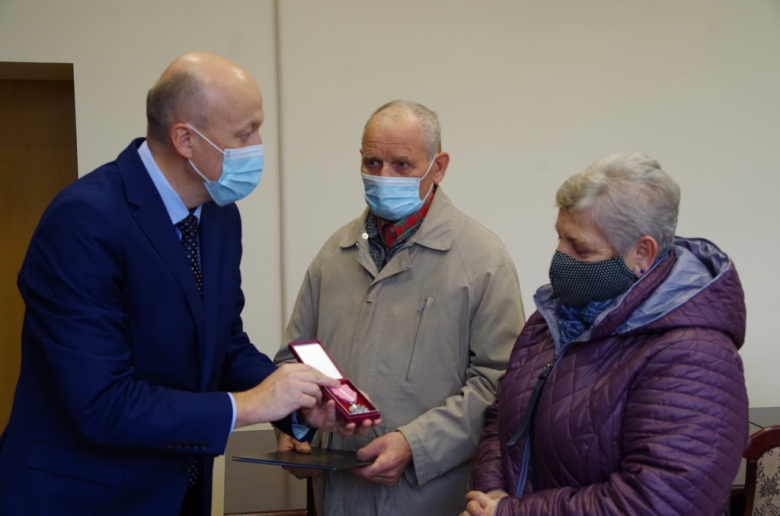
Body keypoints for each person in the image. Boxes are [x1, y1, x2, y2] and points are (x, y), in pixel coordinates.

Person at [0, 52, 376, 516]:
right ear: (185, 139)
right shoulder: (84, 220)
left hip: (176, 491)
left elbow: (223, 343)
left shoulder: (219, 216)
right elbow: (102, 404)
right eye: (245, 132)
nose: (258, 145)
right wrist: (252, 405)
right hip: (82, 495)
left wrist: (296, 402)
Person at [274, 100, 525, 515]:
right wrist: (294, 427)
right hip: (337, 496)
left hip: (428, 497)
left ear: (438, 167)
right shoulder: (333, 255)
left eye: (402, 165)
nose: (383, 176)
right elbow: (294, 357)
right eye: (373, 162)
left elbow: (498, 386)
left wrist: (415, 445)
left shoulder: (482, 261)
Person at [463, 152, 749, 516]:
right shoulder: (552, 318)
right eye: (559, 239)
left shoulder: (696, 356)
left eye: (579, 248)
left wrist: (511, 512)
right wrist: (490, 494)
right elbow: (502, 416)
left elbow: (662, 502)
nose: (558, 257)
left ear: (642, 253)